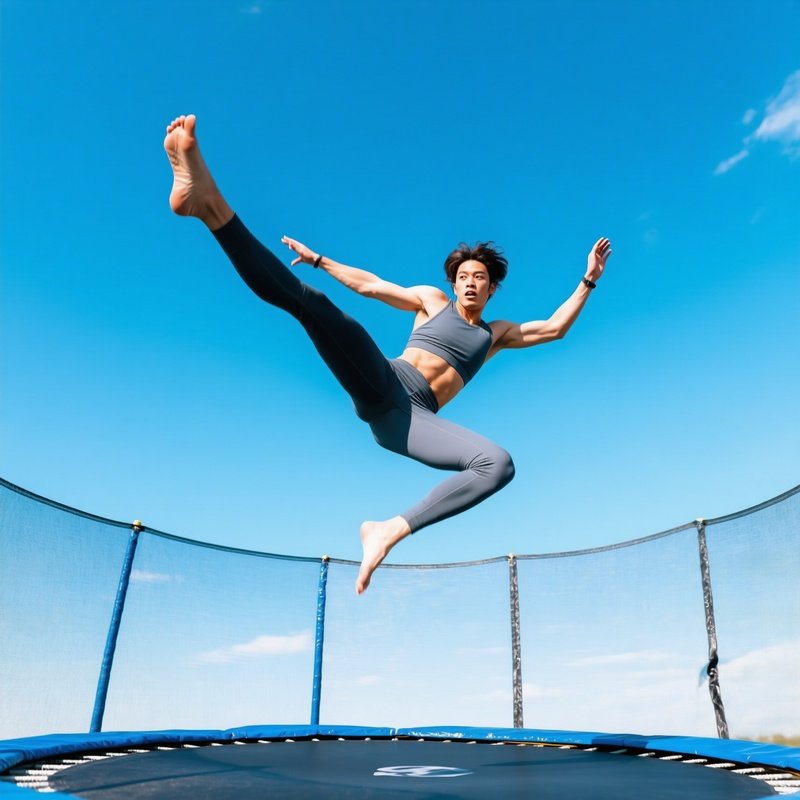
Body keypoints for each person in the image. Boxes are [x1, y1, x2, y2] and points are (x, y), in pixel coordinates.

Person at [163, 114, 611, 594]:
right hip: (384, 381)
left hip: (413, 421)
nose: (470, 283)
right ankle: (209, 206)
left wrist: (588, 280)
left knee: (497, 464)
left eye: (479, 277)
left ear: (492, 287)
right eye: (463, 276)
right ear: (453, 283)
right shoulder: (430, 301)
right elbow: (372, 286)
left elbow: (555, 327)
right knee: (311, 304)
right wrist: (320, 261)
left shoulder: (495, 334)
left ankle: (388, 529)